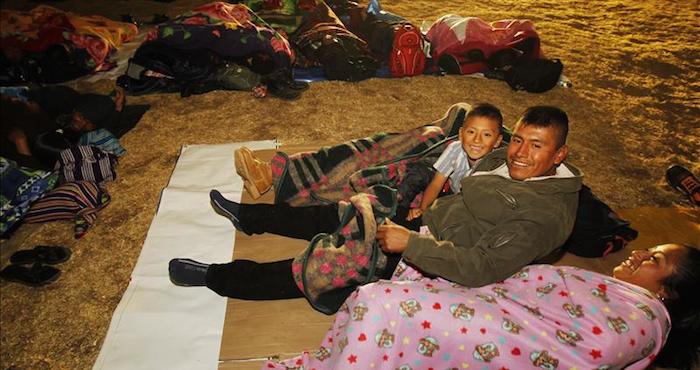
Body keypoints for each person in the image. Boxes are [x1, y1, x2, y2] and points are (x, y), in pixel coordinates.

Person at [169, 106, 581, 307]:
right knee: (347, 208)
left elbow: (482, 267)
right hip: (426, 217)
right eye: (519, 140)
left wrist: (411, 244)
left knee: (327, 265)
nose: (519, 153)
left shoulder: (544, 216)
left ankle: (218, 278)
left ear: (559, 154)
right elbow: (474, 140)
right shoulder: (508, 157)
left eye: (537, 145)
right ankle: (252, 216)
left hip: (432, 256)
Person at [262, 243, 700, 370]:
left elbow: (595, 348)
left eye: (654, 261)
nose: (640, 255)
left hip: (506, 331)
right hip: (495, 298)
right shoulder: (611, 289)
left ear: (669, 292)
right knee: (383, 288)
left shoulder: (642, 321)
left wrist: (511, 321)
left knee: (382, 305)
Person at [406, 102, 503, 221]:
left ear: (497, 141)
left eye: (487, 134)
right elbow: (436, 184)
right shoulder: (455, 149)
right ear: (461, 134)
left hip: (472, 208)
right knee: (418, 172)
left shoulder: (494, 169)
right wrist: (422, 210)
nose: (477, 140)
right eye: (471, 132)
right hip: (451, 193)